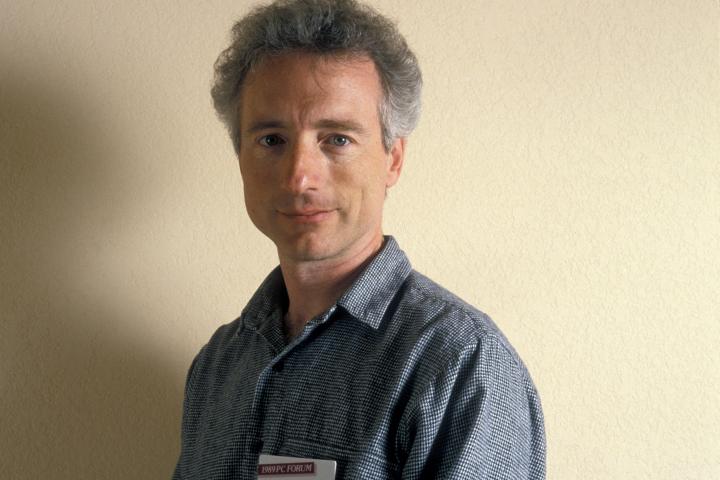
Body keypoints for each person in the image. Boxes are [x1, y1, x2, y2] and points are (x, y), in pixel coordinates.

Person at [173, 0, 545, 478]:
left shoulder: (456, 362)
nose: (299, 177)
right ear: (240, 157)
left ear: (393, 160)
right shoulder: (218, 366)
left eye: (337, 139)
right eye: (271, 140)